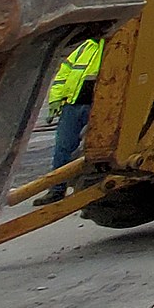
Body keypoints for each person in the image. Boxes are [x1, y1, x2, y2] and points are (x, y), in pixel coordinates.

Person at [42, 34, 104, 199]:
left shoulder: (117, 45)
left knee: (96, 149)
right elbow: (62, 76)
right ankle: (56, 189)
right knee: (63, 147)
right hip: (73, 105)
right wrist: (55, 101)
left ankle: (89, 192)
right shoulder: (85, 47)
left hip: (100, 105)